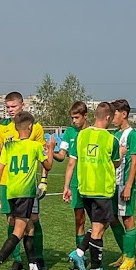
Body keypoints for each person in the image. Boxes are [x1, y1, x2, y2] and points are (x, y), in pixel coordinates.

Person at [0, 112, 54, 270]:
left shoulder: (9, 146)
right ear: (30, 127)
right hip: (26, 193)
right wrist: (50, 149)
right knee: (19, 231)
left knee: (29, 228)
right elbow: (49, 165)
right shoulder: (34, 146)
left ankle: (33, 268)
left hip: (11, 191)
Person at [64, 102, 121, 270]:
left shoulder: (81, 136)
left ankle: (80, 252)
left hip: (85, 189)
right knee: (98, 229)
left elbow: (72, 161)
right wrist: (122, 153)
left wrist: (66, 186)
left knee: (99, 225)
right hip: (102, 190)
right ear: (108, 117)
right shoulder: (111, 139)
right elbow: (116, 163)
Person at [0, 92, 46, 270]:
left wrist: (44, 180)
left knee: (34, 220)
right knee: (12, 221)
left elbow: (43, 156)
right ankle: (17, 259)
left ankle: (38, 258)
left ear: (22, 105)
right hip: (9, 182)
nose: (10, 110)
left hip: (28, 183)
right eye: (7, 107)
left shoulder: (35, 128)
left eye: (13, 106)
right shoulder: (0, 128)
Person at [105, 99, 136, 270]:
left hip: (123, 184)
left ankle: (131, 257)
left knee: (127, 218)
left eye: (115, 114)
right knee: (112, 219)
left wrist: (128, 186)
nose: (112, 117)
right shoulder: (114, 134)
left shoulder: (132, 135)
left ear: (124, 114)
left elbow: (134, 162)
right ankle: (124, 252)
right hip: (112, 184)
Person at [53, 101, 90, 250]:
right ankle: (80, 253)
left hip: (92, 182)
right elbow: (62, 156)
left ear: (85, 116)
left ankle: (91, 251)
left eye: (76, 117)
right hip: (76, 183)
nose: (74, 121)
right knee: (79, 219)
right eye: (72, 118)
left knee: (97, 221)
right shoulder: (69, 132)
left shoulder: (93, 131)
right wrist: (50, 153)